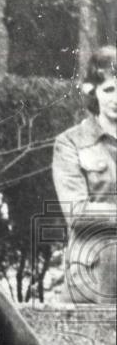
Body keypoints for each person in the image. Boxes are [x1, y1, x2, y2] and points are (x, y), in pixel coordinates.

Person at [52, 45, 117, 304]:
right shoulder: (70, 143)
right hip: (92, 278)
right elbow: (77, 212)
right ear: (94, 93)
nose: (116, 98)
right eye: (109, 89)